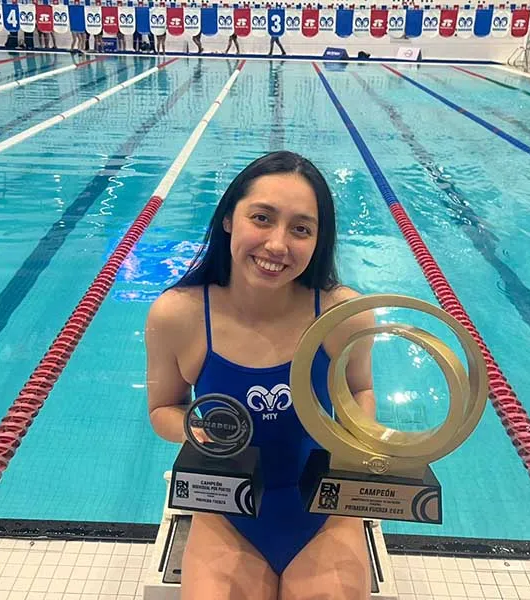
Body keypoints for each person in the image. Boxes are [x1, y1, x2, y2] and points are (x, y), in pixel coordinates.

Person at [145, 151, 374, 599]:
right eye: (262, 218)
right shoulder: (181, 315)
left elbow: (359, 390)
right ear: (229, 218)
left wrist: (366, 441)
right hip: (228, 508)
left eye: (301, 229)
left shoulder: (343, 314)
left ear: (318, 240)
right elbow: (162, 409)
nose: (277, 245)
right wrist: (198, 430)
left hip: (322, 507)